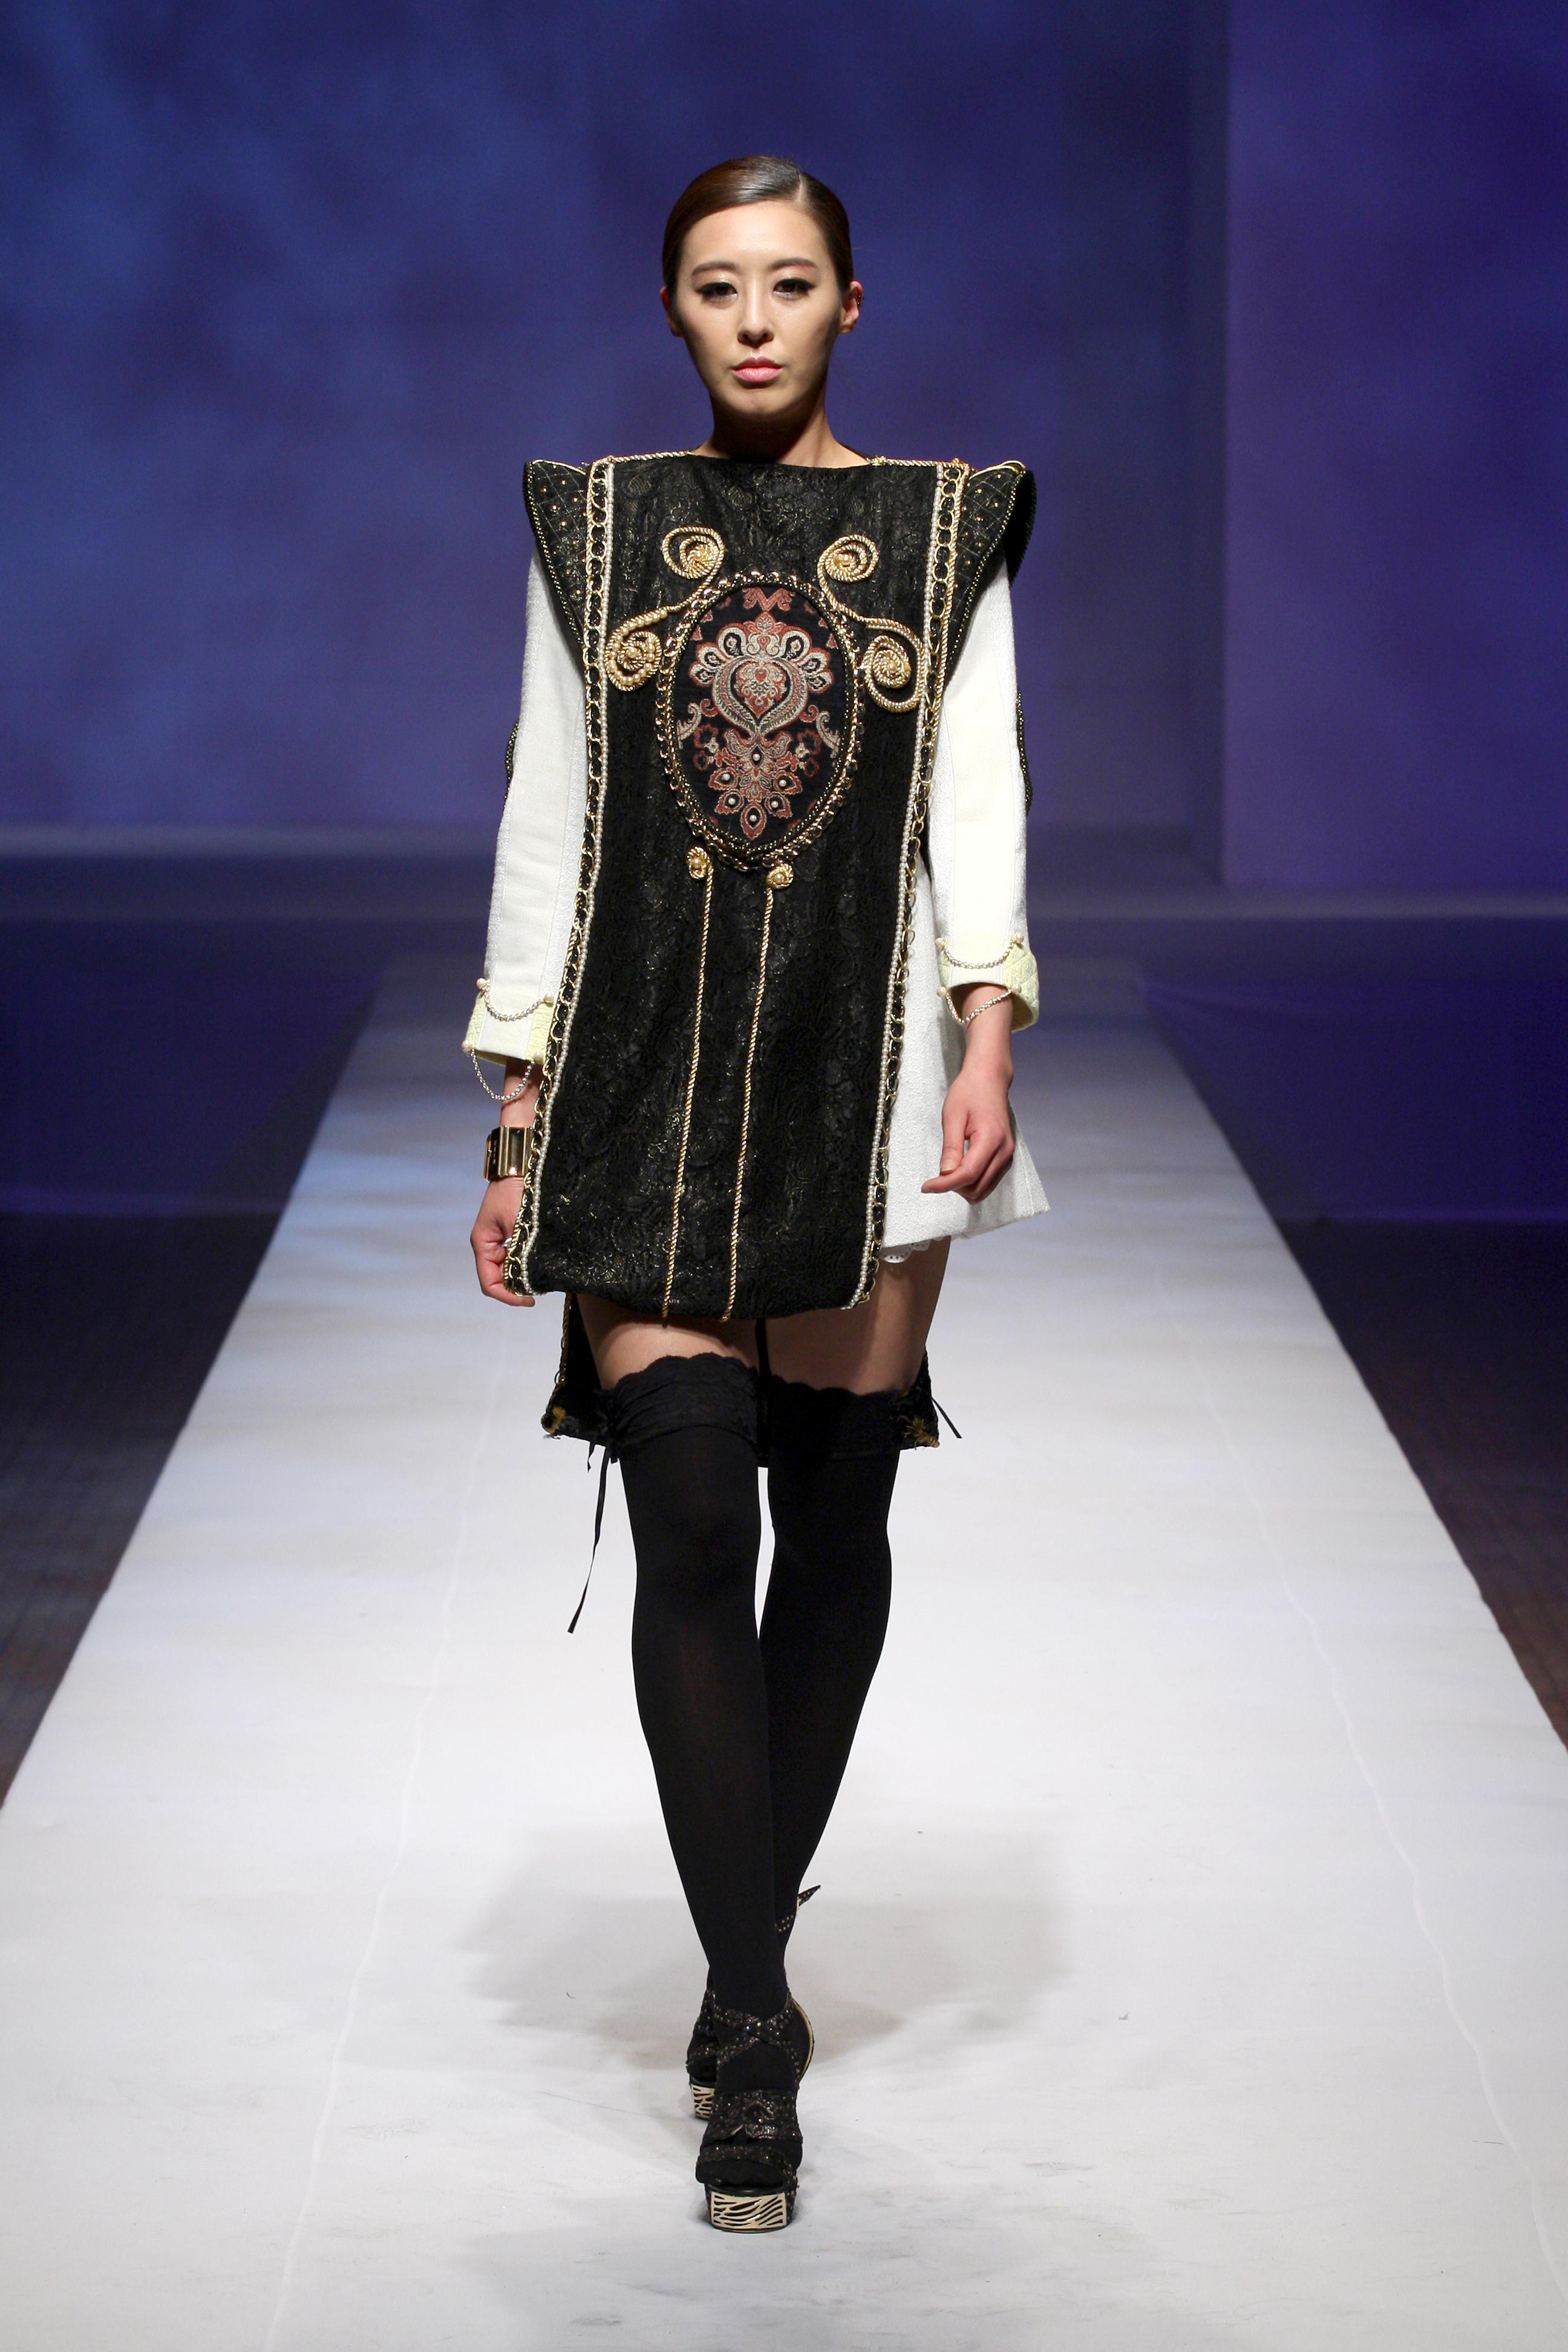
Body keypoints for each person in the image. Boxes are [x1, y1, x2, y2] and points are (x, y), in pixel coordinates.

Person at [466, 155, 1046, 2232]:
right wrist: (517, 1110)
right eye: (718, 286)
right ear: (674, 308)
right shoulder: (598, 525)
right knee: (697, 1516)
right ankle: (749, 2011)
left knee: (840, 1521)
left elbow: (976, 788)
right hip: (640, 1066)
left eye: (791, 284)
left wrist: (989, 1034)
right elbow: (552, 811)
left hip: (864, 1069)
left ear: (850, 304)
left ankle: (745, 1954)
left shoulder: (946, 528)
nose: (756, 319)